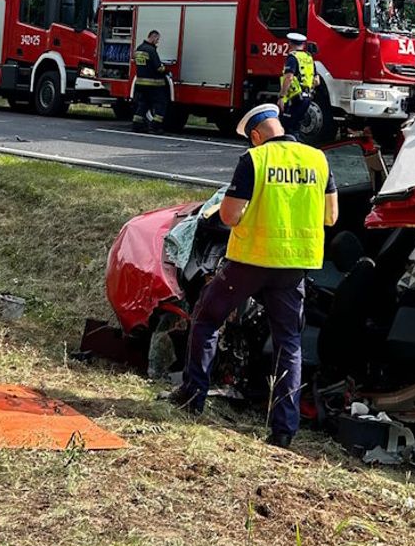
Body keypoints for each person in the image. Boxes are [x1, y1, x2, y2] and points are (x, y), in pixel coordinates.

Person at [165, 103, 338, 448]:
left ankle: (192, 396)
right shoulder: (318, 159)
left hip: (250, 262)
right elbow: (331, 217)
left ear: (256, 136)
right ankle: (283, 430)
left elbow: (229, 216)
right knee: (288, 342)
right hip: (294, 267)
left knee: (207, 318)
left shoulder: (255, 160)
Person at [278, 32, 316, 136]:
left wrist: (282, 97)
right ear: (303, 44)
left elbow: (289, 78)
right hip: (306, 98)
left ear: (290, 44)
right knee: (296, 127)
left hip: (294, 98)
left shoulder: (292, 58)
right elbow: (316, 80)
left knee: (287, 127)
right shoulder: (309, 58)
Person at [132, 29, 168, 133]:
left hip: (140, 83)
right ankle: (155, 126)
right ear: (152, 37)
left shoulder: (139, 48)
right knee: (161, 104)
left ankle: (136, 125)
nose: (157, 41)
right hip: (153, 84)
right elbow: (158, 68)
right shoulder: (151, 50)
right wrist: (166, 70)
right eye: (157, 39)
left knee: (144, 104)